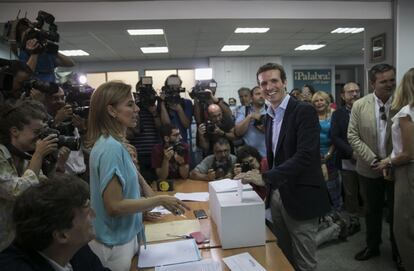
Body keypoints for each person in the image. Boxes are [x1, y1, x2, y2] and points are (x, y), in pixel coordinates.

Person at [85, 81, 189, 271]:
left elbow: (135, 178)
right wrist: (159, 200)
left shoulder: (116, 143)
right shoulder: (110, 148)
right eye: (130, 104)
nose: (137, 109)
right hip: (114, 245)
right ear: (111, 111)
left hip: (126, 236)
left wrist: (154, 199)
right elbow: (114, 206)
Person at [237, 63, 330, 271]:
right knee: (284, 255)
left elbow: (306, 156)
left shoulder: (303, 110)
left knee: (305, 261)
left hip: (301, 196)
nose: (269, 87)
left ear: (284, 82)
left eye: (274, 81)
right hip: (278, 194)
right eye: (263, 83)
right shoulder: (269, 115)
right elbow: (277, 157)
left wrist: (266, 177)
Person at [0, 174, 111, 271]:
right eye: (87, 212)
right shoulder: (13, 267)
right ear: (62, 236)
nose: (94, 214)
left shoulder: (77, 248)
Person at [348, 64, 401, 265]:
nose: (389, 85)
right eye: (383, 81)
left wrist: (389, 160)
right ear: (372, 83)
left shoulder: (403, 102)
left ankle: (399, 250)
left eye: (392, 80)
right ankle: (373, 246)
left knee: (397, 213)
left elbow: (407, 139)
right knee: (371, 210)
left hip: (397, 167)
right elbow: (352, 135)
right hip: (369, 168)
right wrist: (374, 160)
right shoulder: (359, 105)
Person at [377, 68, 414, 271]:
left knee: (404, 227)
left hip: (408, 172)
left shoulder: (407, 113)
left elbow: (408, 153)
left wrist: (388, 162)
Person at [331, 82, 362, 232]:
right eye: (350, 92)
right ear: (343, 96)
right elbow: (335, 137)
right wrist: (351, 153)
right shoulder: (338, 114)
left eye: (357, 91)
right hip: (347, 158)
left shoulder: (367, 110)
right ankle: (354, 220)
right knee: (350, 193)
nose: (355, 94)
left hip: (368, 159)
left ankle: (371, 219)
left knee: (367, 192)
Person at [44, 87, 87, 177]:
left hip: (81, 173)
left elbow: (85, 146)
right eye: (55, 98)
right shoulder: (43, 122)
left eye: (62, 98)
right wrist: (56, 121)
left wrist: (82, 129)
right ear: (46, 100)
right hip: (62, 176)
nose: (60, 101)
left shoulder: (72, 118)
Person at [312, 91, 342, 210]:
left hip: (332, 155)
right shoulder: (310, 115)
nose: (319, 103)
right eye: (316, 101)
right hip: (314, 156)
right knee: (318, 187)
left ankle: (336, 213)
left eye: (321, 100)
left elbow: (336, 137)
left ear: (327, 101)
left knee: (333, 186)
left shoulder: (334, 115)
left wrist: (328, 154)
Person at [159, 74, 193, 143]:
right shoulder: (162, 103)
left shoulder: (187, 103)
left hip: (182, 141)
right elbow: (166, 125)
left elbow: (186, 125)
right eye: (171, 84)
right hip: (166, 143)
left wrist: (179, 109)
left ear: (180, 86)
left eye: (176, 85)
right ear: (166, 87)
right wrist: (162, 103)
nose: (174, 87)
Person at [234, 86, 267, 157]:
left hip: (267, 154)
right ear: (251, 97)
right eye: (258, 94)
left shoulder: (271, 110)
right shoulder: (244, 110)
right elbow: (238, 132)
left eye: (263, 94)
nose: (261, 96)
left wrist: (266, 129)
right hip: (249, 156)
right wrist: (250, 116)